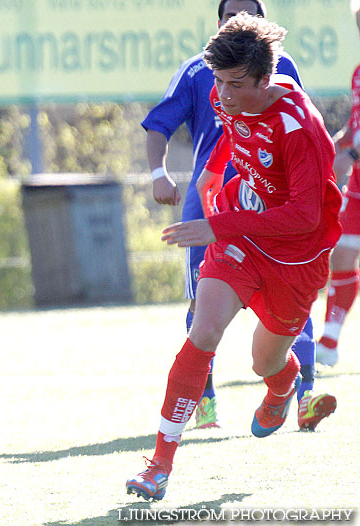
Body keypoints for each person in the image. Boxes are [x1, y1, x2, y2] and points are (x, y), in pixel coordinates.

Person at [126, 13, 342, 501]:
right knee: (202, 333)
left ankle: (283, 385)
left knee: (264, 361)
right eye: (218, 81)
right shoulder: (224, 92)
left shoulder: (300, 127)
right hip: (240, 240)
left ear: (266, 80)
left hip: (296, 260)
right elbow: (229, 131)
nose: (222, 94)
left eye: (235, 84)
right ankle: (159, 465)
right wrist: (212, 173)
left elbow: (305, 217)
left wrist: (216, 223)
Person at [316, 0, 360, 367]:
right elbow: (357, 126)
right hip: (358, 185)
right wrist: (335, 144)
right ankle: (329, 341)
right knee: (342, 255)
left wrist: (353, 155)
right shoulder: (358, 73)